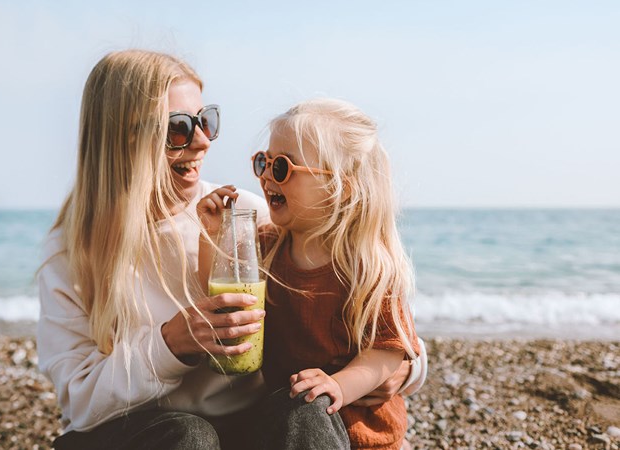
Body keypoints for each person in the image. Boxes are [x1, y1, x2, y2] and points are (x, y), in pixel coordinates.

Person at [37, 49, 425, 450]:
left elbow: (373, 319)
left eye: (206, 121)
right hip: (144, 434)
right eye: (178, 128)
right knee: (190, 436)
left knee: (306, 409)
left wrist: (397, 371)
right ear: (121, 137)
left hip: (249, 428)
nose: (202, 141)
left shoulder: (243, 216)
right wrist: (171, 343)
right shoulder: (70, 253)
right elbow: (79, 402)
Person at [197, 98, 424, 449]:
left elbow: (386, 351)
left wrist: (338, 386)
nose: (266, 176)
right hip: (287, 423)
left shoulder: (368, 266)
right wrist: (213, 236)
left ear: (340, 187)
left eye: (282, 167)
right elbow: (224, 303)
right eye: (264, 162)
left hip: (363, 433)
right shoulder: (266, 246)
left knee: (310, 410)